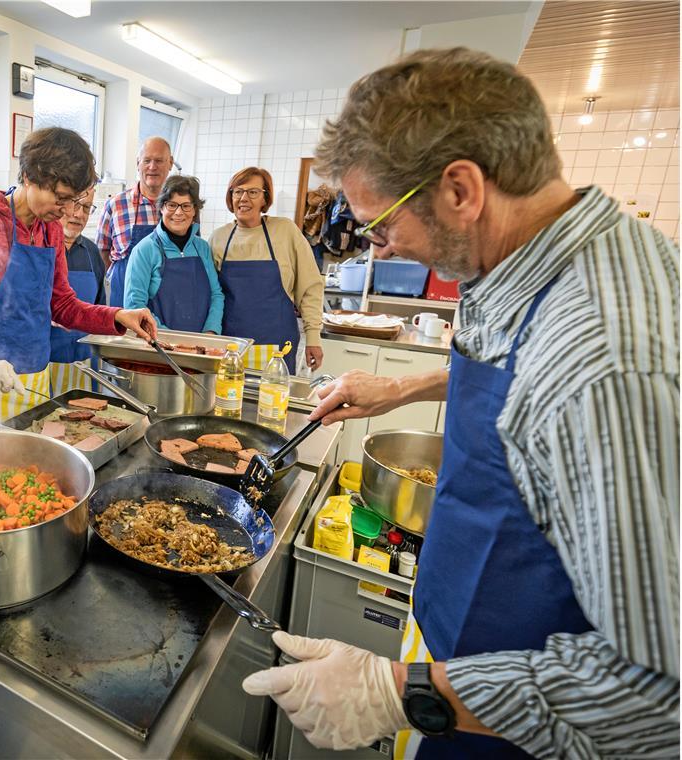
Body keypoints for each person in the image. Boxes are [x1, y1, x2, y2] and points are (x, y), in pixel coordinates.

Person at [241, 48, 679, 758]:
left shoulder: (607, 360)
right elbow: (509, 355)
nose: (385, 245)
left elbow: (658, 690)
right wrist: (403, 387)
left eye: (383, 227)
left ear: (461, 191)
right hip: (456, 635)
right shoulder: (532, 256)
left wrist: (399, 695)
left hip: (520, 728)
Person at [0, 127, 156, 429]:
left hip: (33, 384)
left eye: (75, 201)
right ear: (29, 177)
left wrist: (118, 316)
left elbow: (62, 305)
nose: (67, 211)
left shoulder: (48, 226)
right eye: (60, 198)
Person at [208, 167, 325, 373]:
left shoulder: (285, 231)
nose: (244, 198)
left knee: (273, 400)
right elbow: (213, 295)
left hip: (277, 342)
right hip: (231, 344)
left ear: (265, 198)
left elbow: (310, 287)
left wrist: (313, 337)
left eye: (253, 192)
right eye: (237, 191)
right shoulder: (218, 238)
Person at [123, 175, 224, 334]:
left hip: (202, 346)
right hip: (159, 345)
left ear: (194, 210)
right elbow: (135, 305)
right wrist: (171, 340)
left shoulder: (202, 248)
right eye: (171, 205)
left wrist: (211, 332)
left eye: (186, 206)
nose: (178, 212)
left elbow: (216, 295)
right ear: (161, 207)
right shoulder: (145, 250)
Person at [95, 136, 174, 306]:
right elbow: (102, 251)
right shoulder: (116, 205)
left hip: (169, 299)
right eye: (147, 161)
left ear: (170, 163)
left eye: (159, 160)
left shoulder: (181, 208)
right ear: (138, 163)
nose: (152, 167)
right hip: (125, 296)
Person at [48, 185, 105, 394]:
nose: (79, 214)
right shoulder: (41, 248)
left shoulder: (91, 252)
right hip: (43, 362)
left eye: (87, 208)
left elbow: (100, 309)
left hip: (85, 363)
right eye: (76, 204)